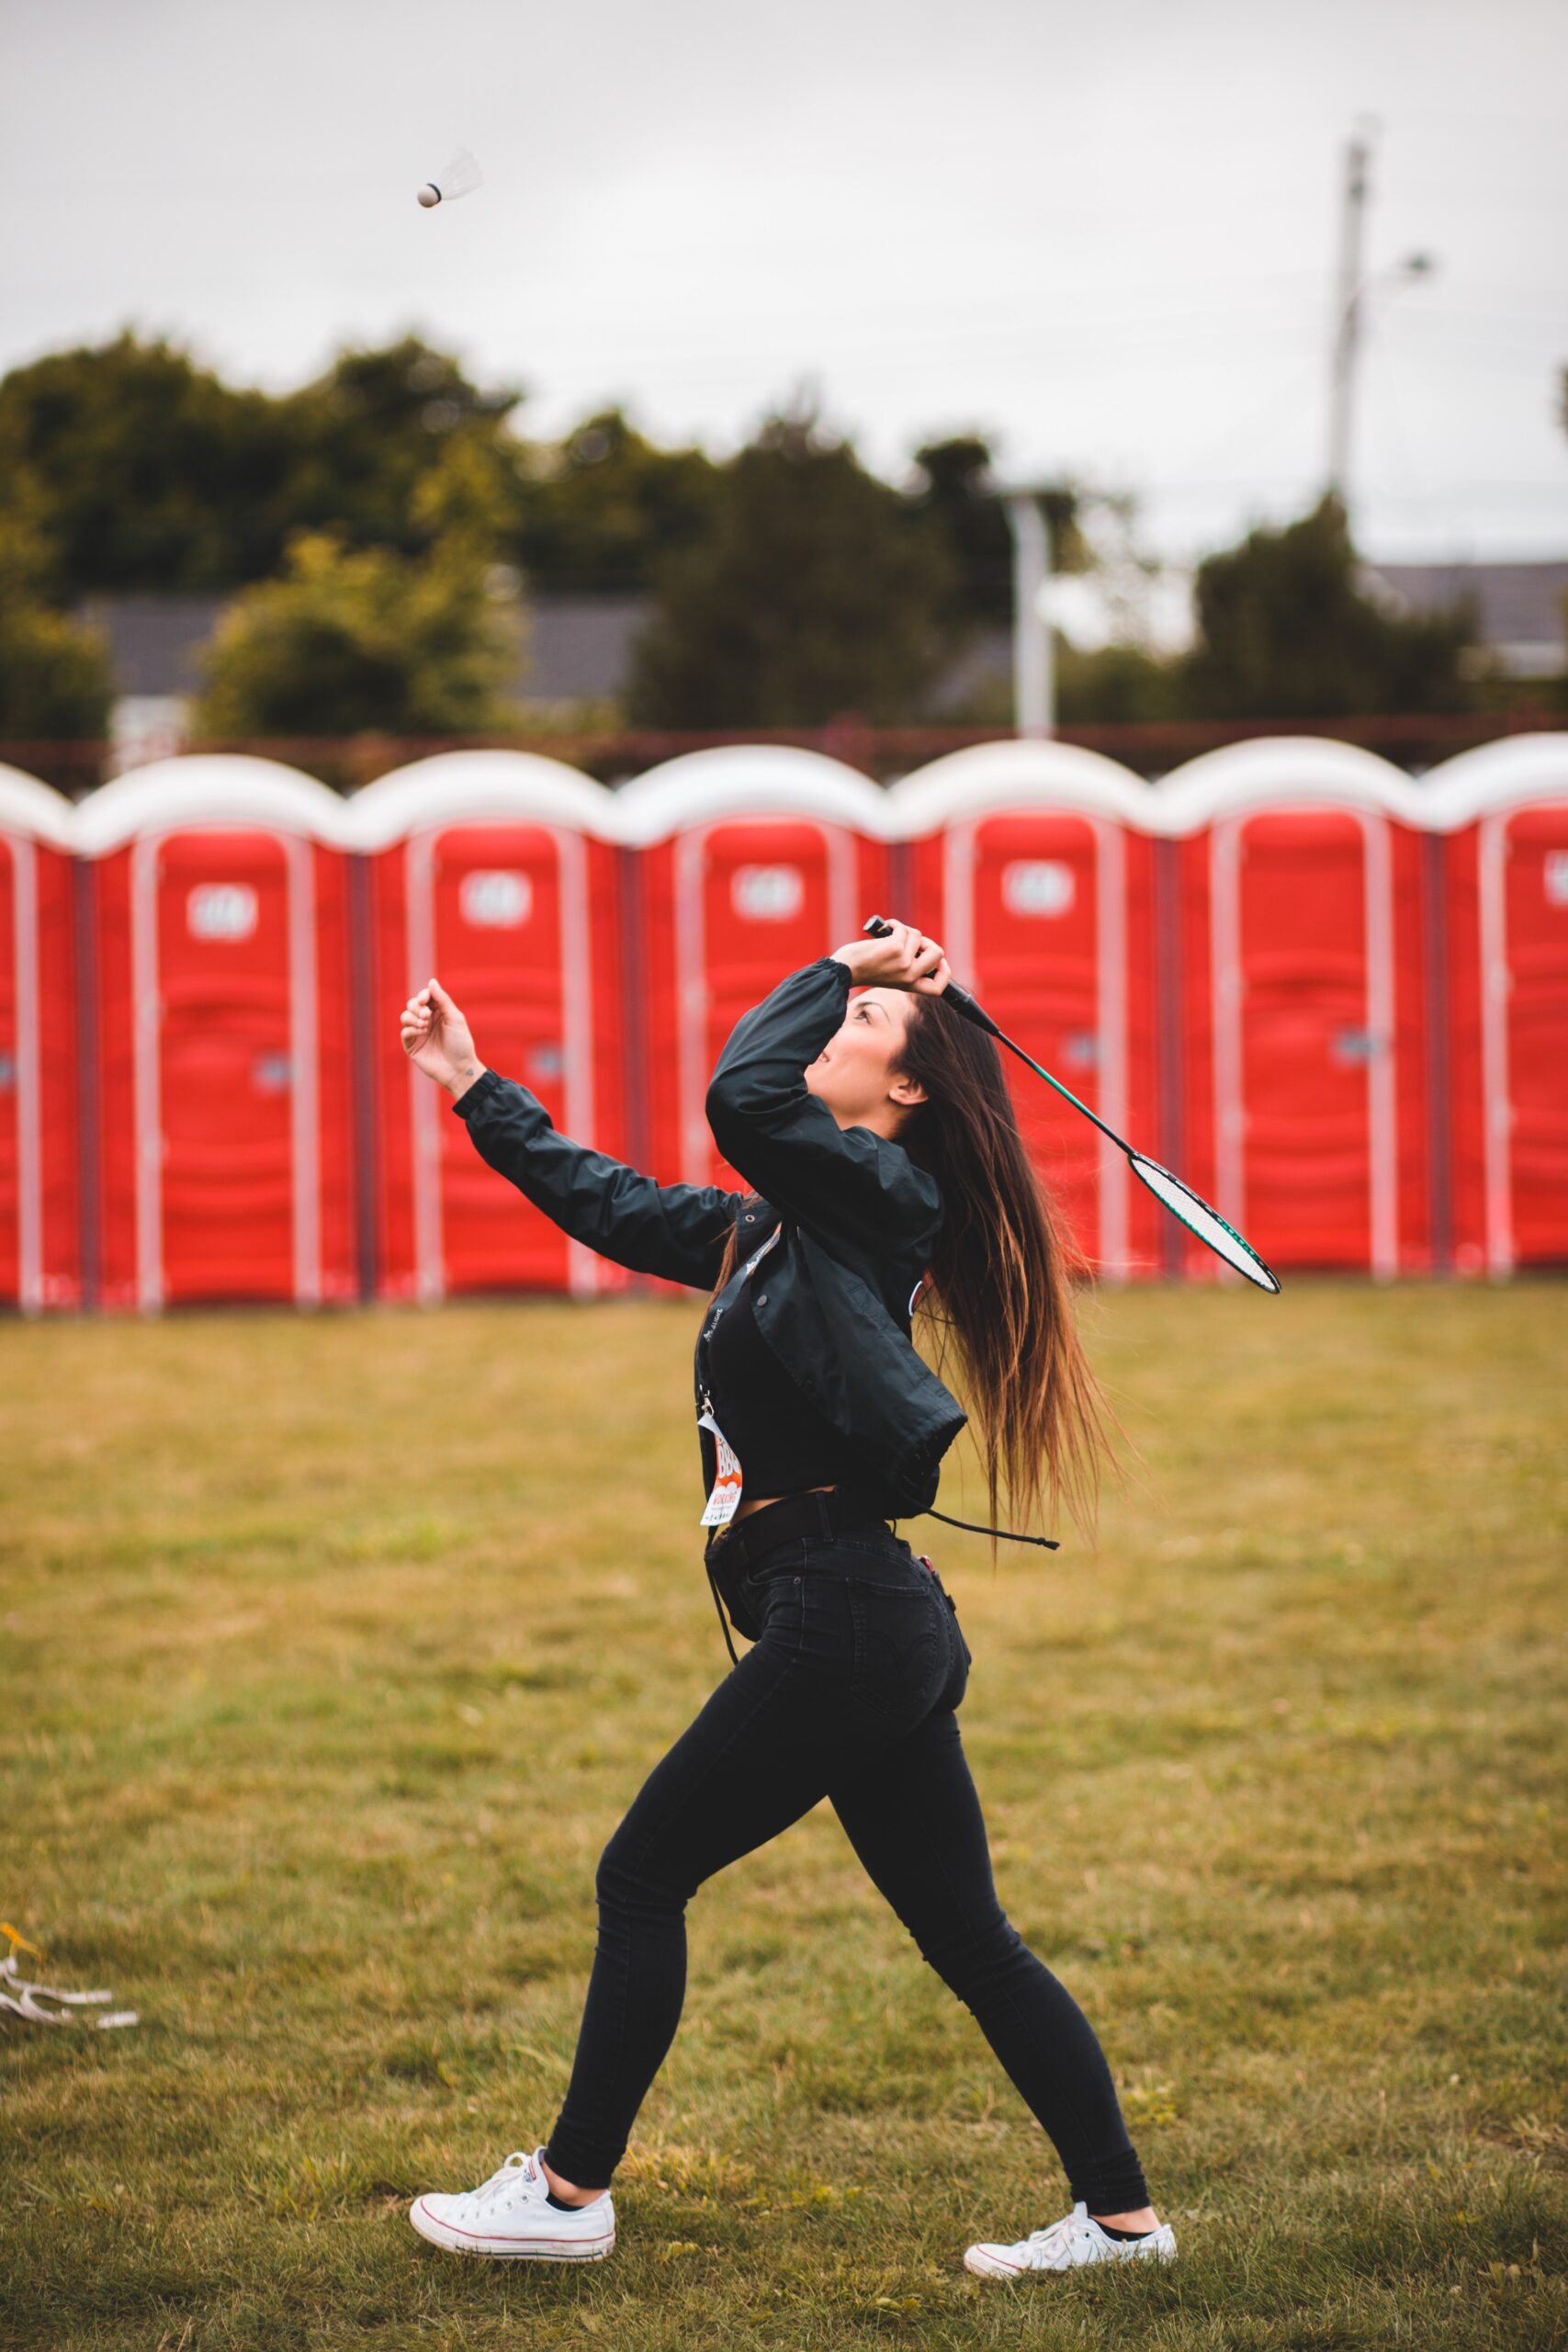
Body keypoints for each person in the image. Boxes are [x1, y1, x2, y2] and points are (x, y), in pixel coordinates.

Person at [398, 920, 1176, 2278]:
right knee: (971, 1941)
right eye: (841, 1017)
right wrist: (473, 1085)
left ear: (909, 1093)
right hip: (876, 1621)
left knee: (642, 1872)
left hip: (845, 1614)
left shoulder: (883, 1196)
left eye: (861, 1035)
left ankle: (567, 2199)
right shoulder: (785, 1224)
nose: (833, 1035)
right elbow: (612, 1201)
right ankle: (1126, 2226)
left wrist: (847, 964)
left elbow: (740, 1093)